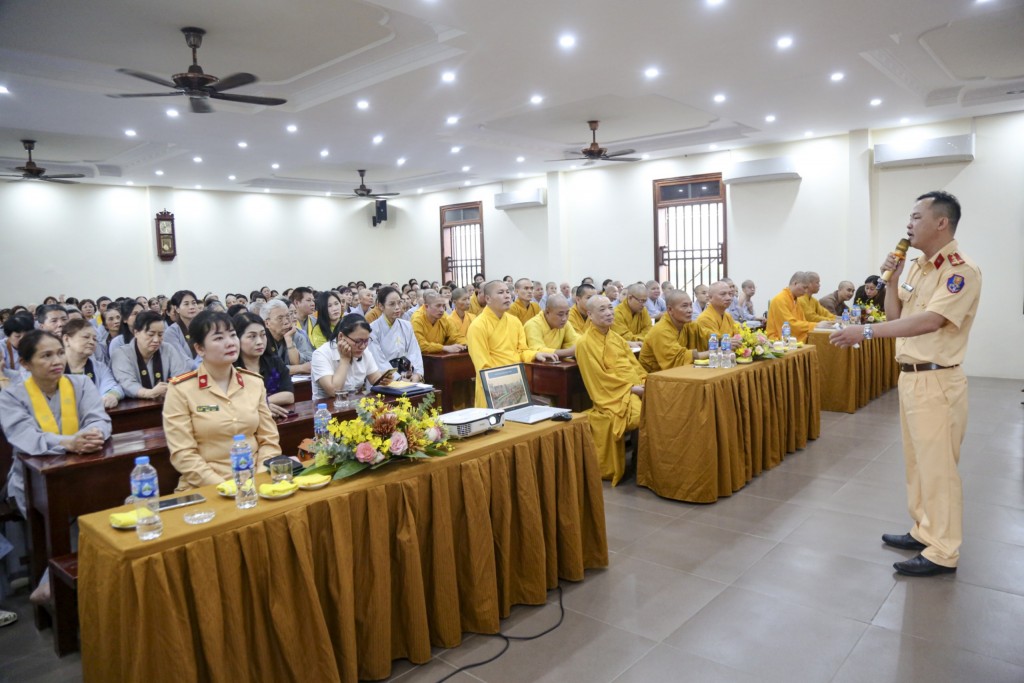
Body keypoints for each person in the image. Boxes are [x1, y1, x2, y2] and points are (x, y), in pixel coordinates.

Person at [830, 191, 980, 577]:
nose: (908, 224)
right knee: (917, 464)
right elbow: (896, 312)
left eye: (916, 217)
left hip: (938, 379)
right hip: (910, 378)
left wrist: (864, 330)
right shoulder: (916, 267)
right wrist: (894, 278)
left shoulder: (960, 271)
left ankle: (943, 551)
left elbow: (930, 321)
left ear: (941, 223)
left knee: (939, 468)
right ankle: (923, 529)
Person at [163, 311, 281, 490]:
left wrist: (259, 476)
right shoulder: (181, 389)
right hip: (205, 487)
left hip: (256, 482)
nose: (230, 342)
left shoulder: (254, 382)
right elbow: (183, 454)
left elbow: (269, 441)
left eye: (233, 335)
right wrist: (226, 487)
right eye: (218, 338)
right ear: (199, 349)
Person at [0, 331, 111, 517]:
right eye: (46, 356)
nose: (57, 361)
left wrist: (94, 434)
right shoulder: (11, 396)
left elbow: (98, 419)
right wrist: (69, 443)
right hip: (33, 480)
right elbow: (26, 436)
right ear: (25, 364)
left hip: (82, 468)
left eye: (60, 353)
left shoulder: (82, 383)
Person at [575, 295, 646, 485]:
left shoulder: (616, 338)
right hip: (614, 395)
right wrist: (632, 389)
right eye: (602, 310)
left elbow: (634, 365)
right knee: (642, 415)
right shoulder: (584, 343)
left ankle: (648, 464)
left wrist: (645, 381)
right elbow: (597, 379)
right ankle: (642, 467)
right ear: (589, 314)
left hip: (634, 386)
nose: (609, 313)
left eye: (610, 308)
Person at [467, 281, 557, 407]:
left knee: (518, 424)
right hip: (492, 386)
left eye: (508, 292)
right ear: (488, 298)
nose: (507, 296)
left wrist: (536, 354)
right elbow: (482, 365)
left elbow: (522, 351)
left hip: (516, 382)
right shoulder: (478, 326)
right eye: (500, 292)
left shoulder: (514, 322)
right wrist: (501, 383)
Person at [310, 313, 391, 402]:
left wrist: (383, 380)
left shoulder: (365, 352)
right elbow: (334, 391)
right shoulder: (321, 354)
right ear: (341, 336)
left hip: (355, 406)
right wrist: (344, 360)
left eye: (366, 341)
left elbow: (375, 379)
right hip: (327, 409)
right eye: (358, 341)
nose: (363, 346)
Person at [111, 311, 191, 399]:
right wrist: (148, 393)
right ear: (136, 332)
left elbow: (182, 375)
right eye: (151, 334)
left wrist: (171, 388)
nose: (156, 340)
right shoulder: (121, 354)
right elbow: (127, 383)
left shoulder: (168, 349)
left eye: (160, 334)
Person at [233, 312, 293, 418]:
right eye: (252, 336)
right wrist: (262, 405)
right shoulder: (231, 369)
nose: (260, 342)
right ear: (237, 338)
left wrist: (261, 404)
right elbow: (233, 404)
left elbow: (288, 396)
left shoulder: (274, 362)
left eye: (263, 335)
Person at [639, 289, 709, 372]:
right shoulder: (661, 330)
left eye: (691, 305)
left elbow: (708, 336)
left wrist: (724, 342)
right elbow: (678, 358)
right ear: (670, 310)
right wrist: (712, 353)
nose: (690, 310)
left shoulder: (688, 324)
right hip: (655, 377)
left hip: (679, 373)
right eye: (684, 306)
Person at [62, 318, 123, 409]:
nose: (91, 342)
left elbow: (113, 387)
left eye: (94, 339)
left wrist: (111, 396)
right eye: (86, 337)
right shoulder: (50, 368)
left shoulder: (99, 367)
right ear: (66, 339)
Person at [367, 286, 424, 382]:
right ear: (381, 306)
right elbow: (378, 360)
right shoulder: (373, 329)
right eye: (392, 304)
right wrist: (398, 379)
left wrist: (417, 374)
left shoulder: (406, 325)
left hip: (408, 376)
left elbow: (414, 352)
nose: (397, 307)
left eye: (399, 302)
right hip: (385, 380)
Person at [766, 272, 833, 342]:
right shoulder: (780, 299)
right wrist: (816, 325)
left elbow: (802, 321)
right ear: (795, 283)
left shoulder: (795, 300)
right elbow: (790, 324)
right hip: (778, 341)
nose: (806, 291)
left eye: (807, 288)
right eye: (804, 287)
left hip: (793, 340)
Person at [261, 299, 311, 374]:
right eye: (280, 318)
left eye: (288, 316)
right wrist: (300, 368)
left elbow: (309, 363)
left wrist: (289, 340)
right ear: (267, 323)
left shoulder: (296, 335)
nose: (286, 322)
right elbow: (267, 369)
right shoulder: (261, 340)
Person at [524, 294, 578, 358]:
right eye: (560, 314)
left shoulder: (565, 324)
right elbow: (537, 350)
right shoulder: (533, 325)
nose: (564, 318)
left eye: (567, 313)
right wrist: (568, 352)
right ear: (547, 312)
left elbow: (575, 341)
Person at [163, 290, 201, 363]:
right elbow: (180, 359)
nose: (191, 307)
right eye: (186, 304)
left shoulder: (203, 327)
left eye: (194, 303)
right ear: (177, 309)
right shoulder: (171, 332)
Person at [2, 312, 34, 382]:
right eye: (17, 336)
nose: (22, 339)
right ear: (8, 336)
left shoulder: (35, 345)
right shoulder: (2, 347)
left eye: (26, 336)